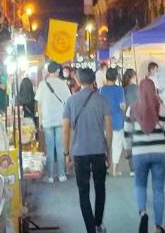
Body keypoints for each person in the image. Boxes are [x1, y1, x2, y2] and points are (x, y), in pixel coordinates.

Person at [63, 67, 112, 233]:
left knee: (83, 191)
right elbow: (109, 130)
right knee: (100, 187)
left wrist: (66, 154)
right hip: (99, 150)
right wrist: (109, 153)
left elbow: (65, 129)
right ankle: (98, 223)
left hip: (79, 152)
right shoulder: (102, 100)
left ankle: (90, 229)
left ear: (78, 81)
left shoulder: (71, 101)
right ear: (93, 81)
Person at [124, 77, 165, 233]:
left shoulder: (132, 109)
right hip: (160, 154)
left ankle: (143, 212)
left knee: (140, 184)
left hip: (139, 154)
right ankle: (158, 226)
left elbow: (127, 134)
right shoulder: (162, 108)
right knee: (158, 189)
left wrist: (128, 152)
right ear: (154, 90)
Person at [36, 61, 72, 183]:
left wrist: (40, 120)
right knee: (60, 147)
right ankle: (62, 175)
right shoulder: (63, 84)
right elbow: (68, 102)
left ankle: (50, 176)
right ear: (57, 71)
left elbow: (39, 105)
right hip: (61, 119)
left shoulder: (42, 85)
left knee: (49, 148)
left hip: (47, 120)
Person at [99, 68, 126, 175]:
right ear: (116, 77)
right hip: (117, 121)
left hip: (104, 121)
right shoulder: (119, 89)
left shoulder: (102, 90)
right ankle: (115, 169)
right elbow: (122, 106)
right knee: (117, 145)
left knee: (105, 145)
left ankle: (105, 165)